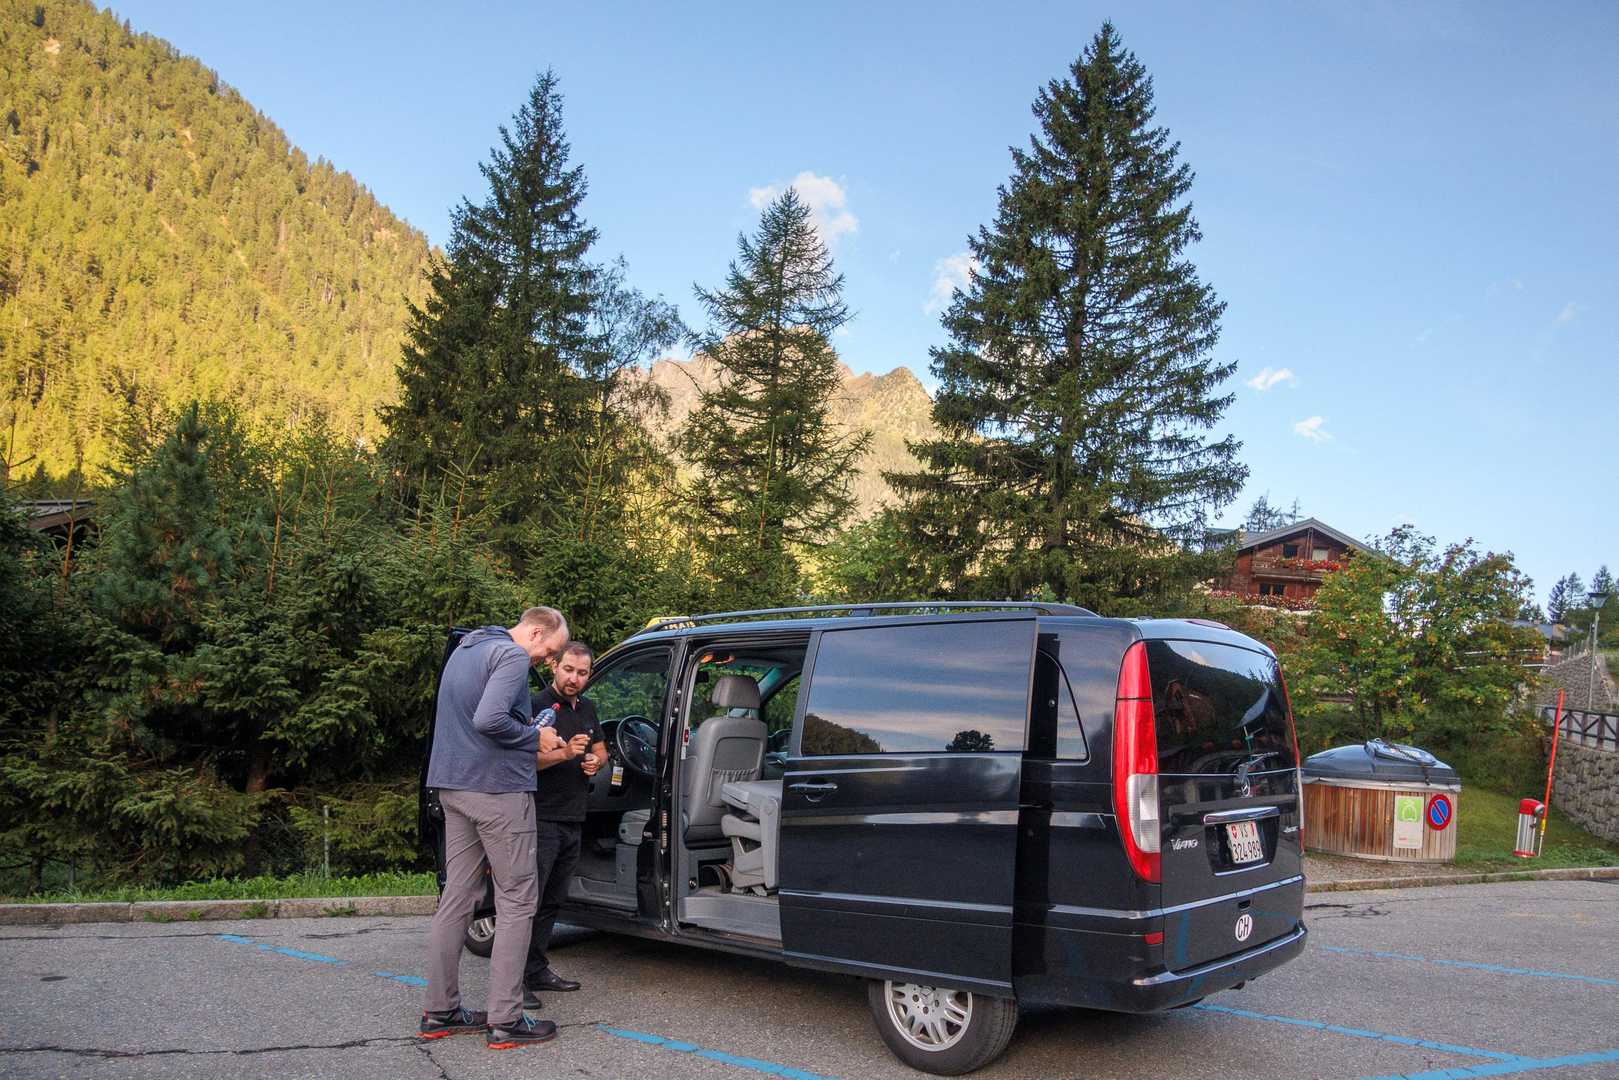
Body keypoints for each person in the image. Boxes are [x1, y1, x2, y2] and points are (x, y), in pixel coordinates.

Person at [420, 606, 570, 1050]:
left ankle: (440, 1010)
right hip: (498, 792)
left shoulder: (467, 649)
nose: (547, 660)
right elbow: (488, 720)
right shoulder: (510, 656)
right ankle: (506, 1019)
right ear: (536, 631)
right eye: (551, 650)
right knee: (518, 899)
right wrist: (536, 737)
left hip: (453, 786)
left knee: (458, 896)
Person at [523, 640, 607, 1006]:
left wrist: (595, 762)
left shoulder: (587, 708)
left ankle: (536, 969)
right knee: (529, 902)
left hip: (574, 816)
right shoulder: (535, 706)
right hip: (540, 817)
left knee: (553, 901)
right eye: (569, 670)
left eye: (582, 673)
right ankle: (513, 982)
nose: (574, 678)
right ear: (554, 666)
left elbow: (600, 748)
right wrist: (565, 753)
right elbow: (524, 761)